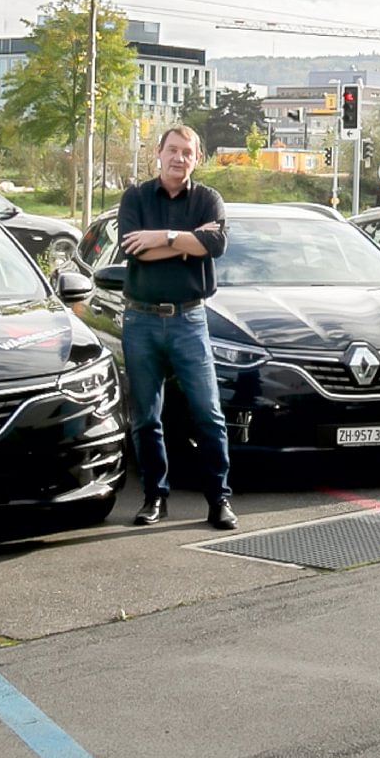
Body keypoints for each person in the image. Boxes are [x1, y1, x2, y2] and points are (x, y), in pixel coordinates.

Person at [118, 125, 238, 530]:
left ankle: (219, 500)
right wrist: (188, 242)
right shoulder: (135, 197)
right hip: (141, 320)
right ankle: (155, 497)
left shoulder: (208, 199)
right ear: (158, 152)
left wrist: (163, 236)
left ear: (197, 159)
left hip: (190, 319)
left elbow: (215, 246)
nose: (179, 158)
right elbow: (134, 250)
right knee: (146, 417)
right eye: (172, 150)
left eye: (187, 152)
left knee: (208, 413)